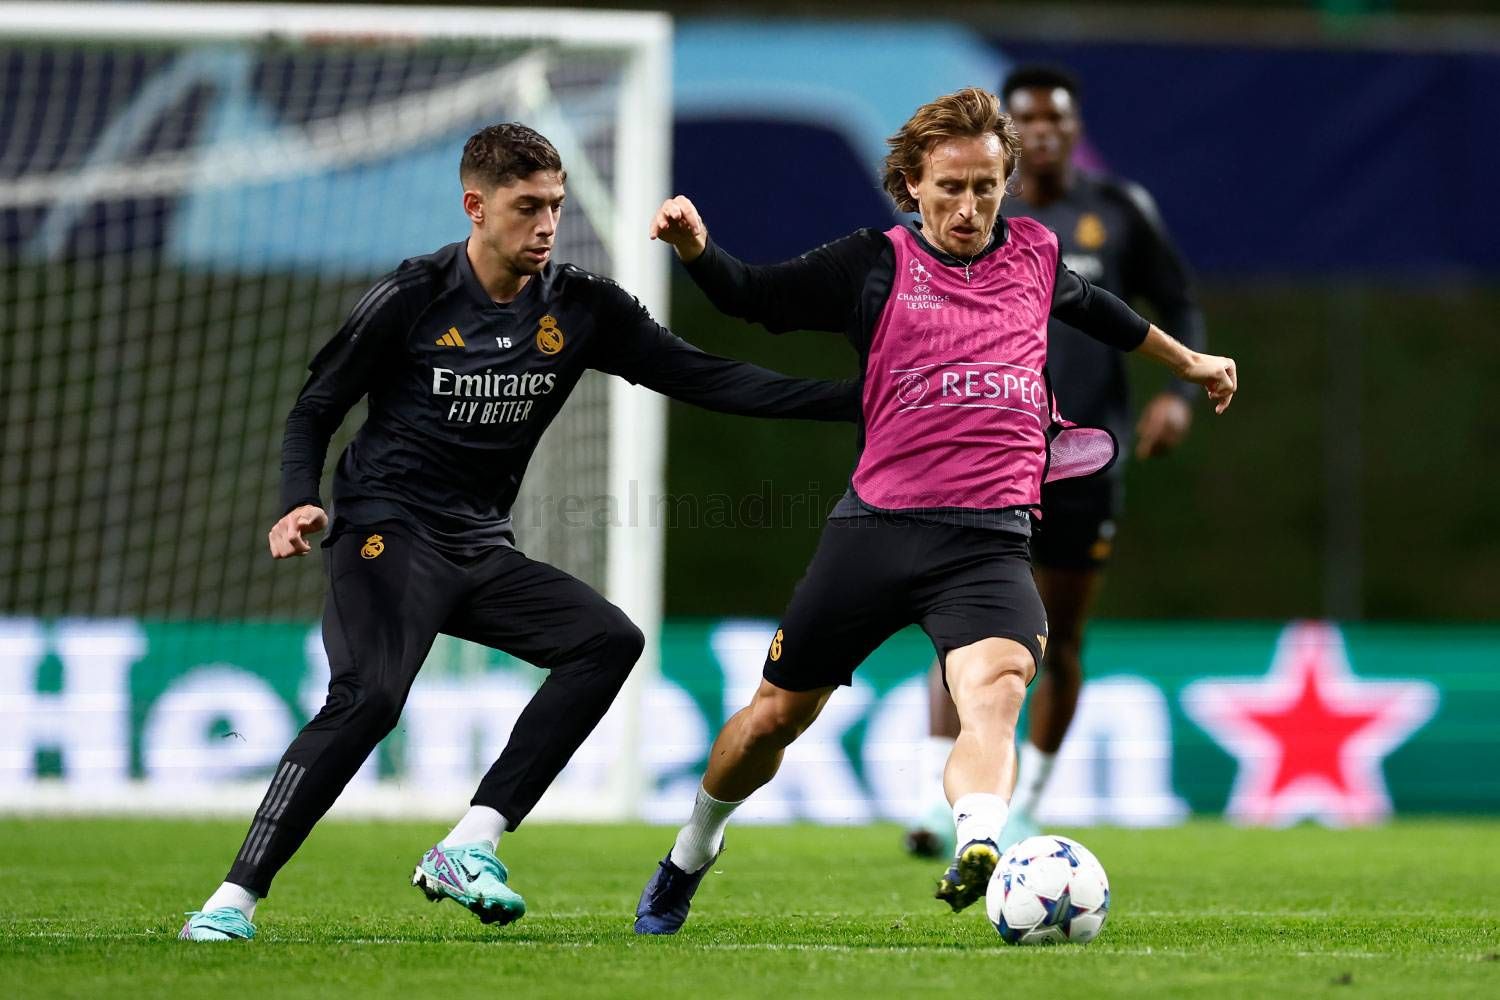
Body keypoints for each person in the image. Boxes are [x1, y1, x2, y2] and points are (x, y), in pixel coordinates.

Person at [178, 123, 858, 942]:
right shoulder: (413, 295)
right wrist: (297, 500)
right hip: (386, 532)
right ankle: (231, 902)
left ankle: (471, 843)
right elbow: (315, 409)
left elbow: (707, 377)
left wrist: (859, 400)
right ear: (476, 207)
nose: (546, 225)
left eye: (556, 206)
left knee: (606, 641)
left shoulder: (581, 305)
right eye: (527, 206)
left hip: (477, 545)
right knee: (370, 701)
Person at [633, 87, 1236, 934]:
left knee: (995, 692)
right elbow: (755, 299)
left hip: (988, 543)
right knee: (775, 718)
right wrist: (698, 250)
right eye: (950, 187)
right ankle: (689, 853)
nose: (969, 206)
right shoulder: (871, 263)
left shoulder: (1034, 254)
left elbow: (1104, 312)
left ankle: (980, 842)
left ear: (1005, 184)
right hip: (874, 532)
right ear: (912, 184)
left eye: (986, 187)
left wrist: (1189, 362)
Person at [904, 64, 1209, 859]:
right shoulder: (974, 213)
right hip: (982, 457)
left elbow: (1178, 303)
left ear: (1074, 130)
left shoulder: (1118, 210)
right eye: (1028, 122)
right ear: (1008, 133)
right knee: (960, 628)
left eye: (1056, 121)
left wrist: (1178, 396)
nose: (1042, 134)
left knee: (1061, 638)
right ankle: (943, 800)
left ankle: (1028, 800)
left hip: (1085, 459)